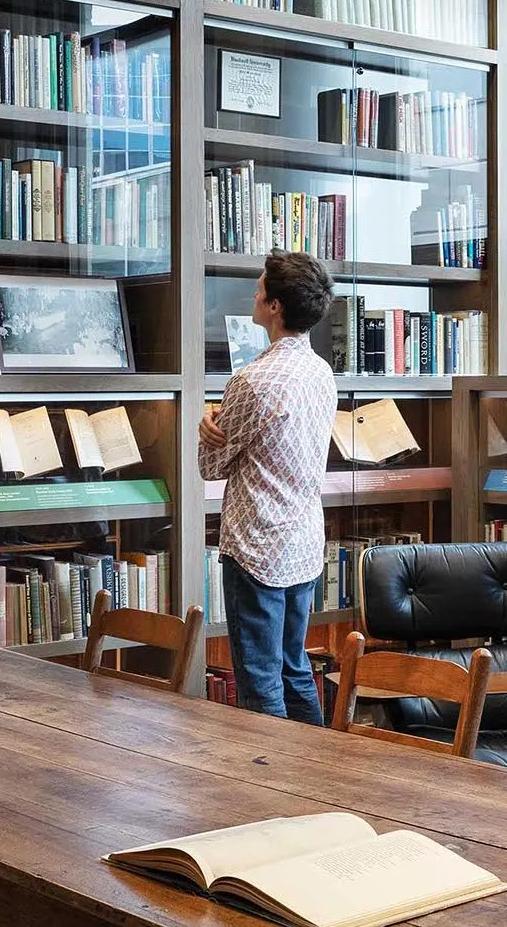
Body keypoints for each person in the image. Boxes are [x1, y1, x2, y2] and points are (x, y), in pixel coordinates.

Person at [198, 252, 336, 723]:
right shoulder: (321, 372)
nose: (254, 294)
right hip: (303, 543)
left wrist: (208, 425)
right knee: (295, 668)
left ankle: (272, 785)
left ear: (275, 306)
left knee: (259, 683)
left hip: (256, 548)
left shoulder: (251, 380)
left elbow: (211, 465)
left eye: (260, 289)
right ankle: (316, 775)